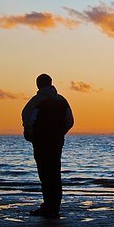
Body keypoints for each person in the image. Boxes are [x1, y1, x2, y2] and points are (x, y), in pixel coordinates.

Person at [22, 73, 74, 218]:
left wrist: (31, 135)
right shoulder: (61, 100)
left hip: (41, 142)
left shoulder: (36, 101)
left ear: (38, 85)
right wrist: (60, 133)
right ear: (51, 83)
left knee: (45, 174)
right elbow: (70, 121)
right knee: (55, 174)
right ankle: (54, 207)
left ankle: (48, 206)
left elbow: (27, 118)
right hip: (56, 142)